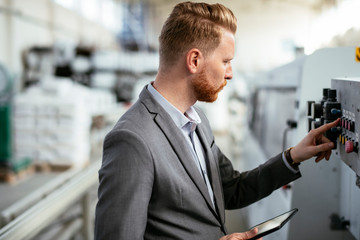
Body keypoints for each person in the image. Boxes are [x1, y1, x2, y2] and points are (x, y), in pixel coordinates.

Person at [94, 2, 340, 240]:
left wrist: (294, 155)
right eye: (225, 61)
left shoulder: (197, 120)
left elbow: (232, 190)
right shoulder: (132, 140)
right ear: (194, 61)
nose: (230, 73)